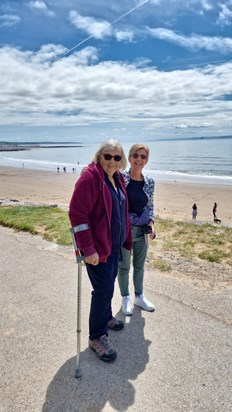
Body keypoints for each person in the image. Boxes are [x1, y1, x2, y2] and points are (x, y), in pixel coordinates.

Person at [69, 139, 132, 363]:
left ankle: (106, 317)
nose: (112, 161)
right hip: (97, 249)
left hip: (113, 246)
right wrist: (88, 249)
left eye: (117, 157)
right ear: (99, 156)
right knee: (103, 290)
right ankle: (96, 337)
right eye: (108, 156)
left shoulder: (117, 178)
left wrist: (125, 239)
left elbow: (121, 209)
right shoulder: (90, 178)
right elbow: (77, 216)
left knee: (108, 284)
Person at [118, 143, 156, 316]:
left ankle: (139, 296)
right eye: (136, 155)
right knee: (124, 267)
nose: (139, 159)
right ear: (130, 157)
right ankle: (125, 297)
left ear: (146, 160)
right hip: (124, 231)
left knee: (139, 267)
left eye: (143, 157)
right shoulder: (120, 178)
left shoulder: (149, 182)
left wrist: (152, 224)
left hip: (142, 231)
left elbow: (150, 206)